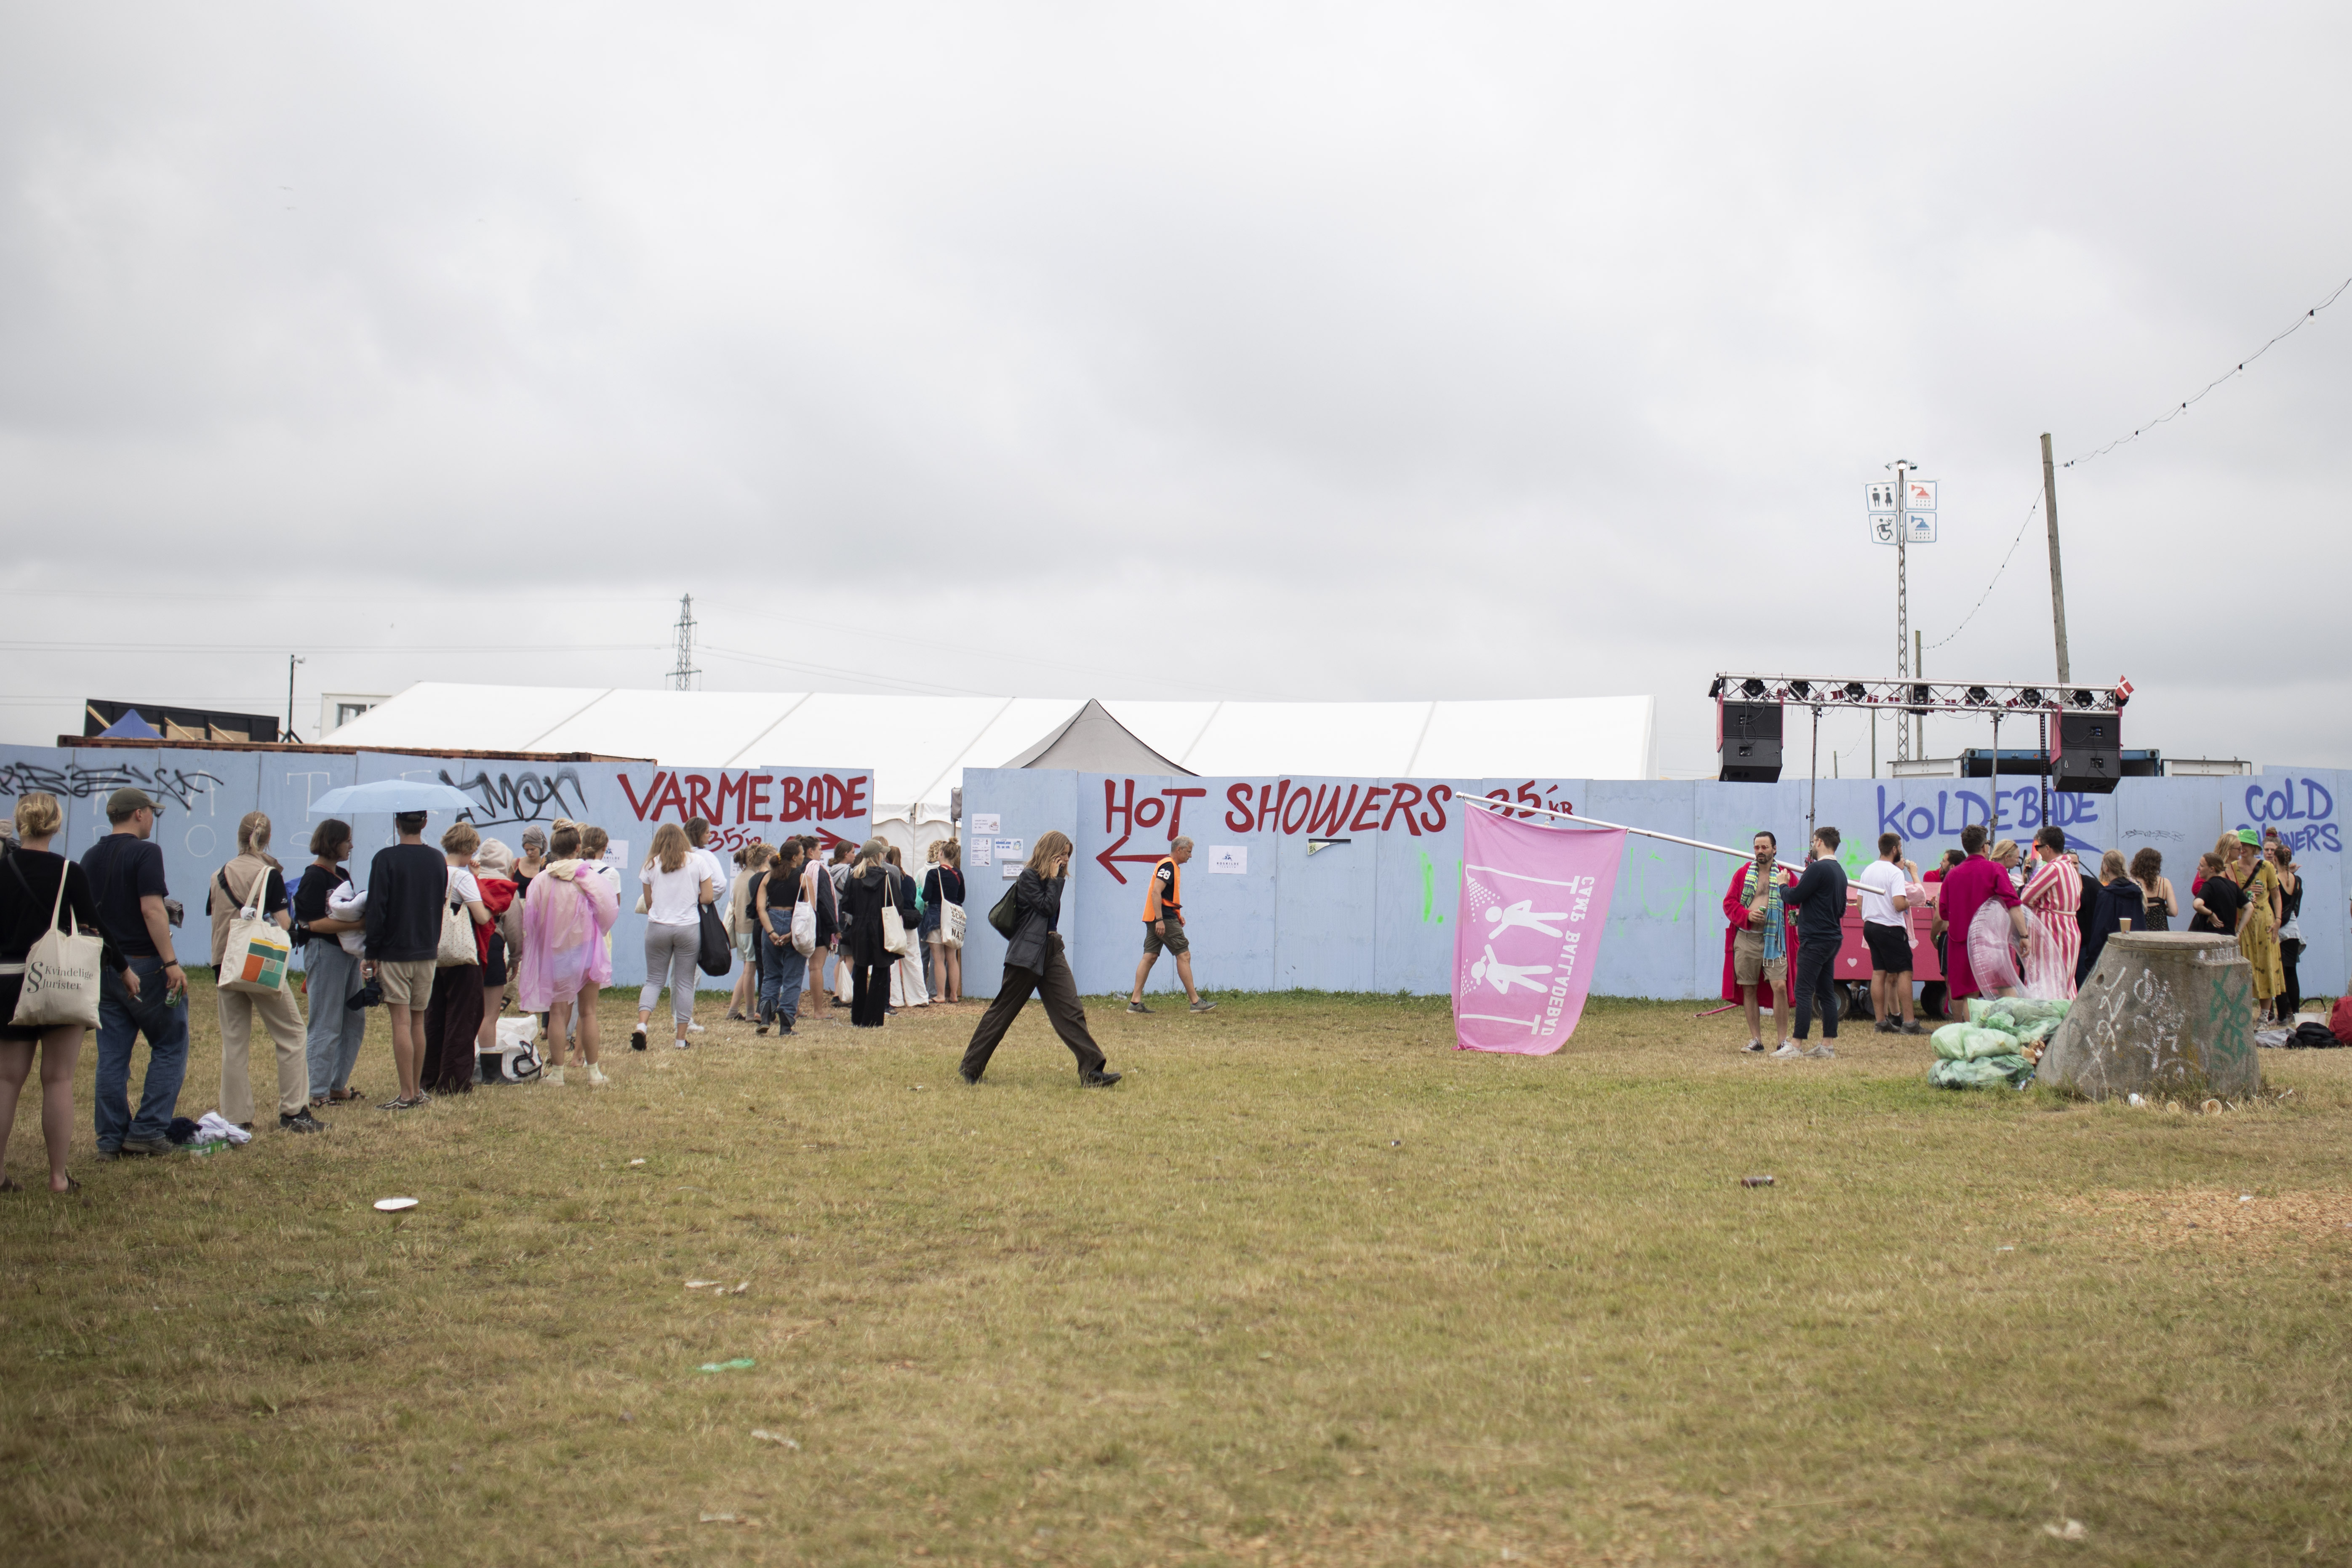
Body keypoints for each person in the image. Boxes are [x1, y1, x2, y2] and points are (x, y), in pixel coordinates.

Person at [1, 793, 133, 1192]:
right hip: (60, 980)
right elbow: (95, 927)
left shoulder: (2, 869)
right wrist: (124, 969)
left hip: (8, 983)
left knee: (7, 1082)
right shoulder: (68, 872)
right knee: (57, 1080)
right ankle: (58, 1177)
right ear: (57, 825)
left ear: (21, 823)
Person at [959, 830, 1120, 1087]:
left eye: (1068, 856)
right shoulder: (1029, 877)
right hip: (1026, 954)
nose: (1066, 860)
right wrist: (1055, 880)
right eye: (1063, 855)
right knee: (1003, 1012)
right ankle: (971, 1067)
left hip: (1051, 950)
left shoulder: (1053, 880)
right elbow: (1045, 907)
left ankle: (1092, 1072)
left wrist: (1056, 879)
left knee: (1071, 1010)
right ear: (1051, 853)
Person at [81, 787, 189, 1157]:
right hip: (145, 963)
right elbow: (152, 910)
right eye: (151, 812)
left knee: (111, 1056)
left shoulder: (91, 856)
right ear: (140, 814)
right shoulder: (147, 852)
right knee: (170, 1044)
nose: (153, 819)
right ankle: (147, 1131)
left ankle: (109, 1141)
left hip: (105, 965)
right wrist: (172, 963)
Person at [208, 812, 323, 1134]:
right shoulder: (268, 874)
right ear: (267, 838)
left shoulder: (218, 874)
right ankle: (293, 1111)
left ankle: (236, 1116)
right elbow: (285, 923)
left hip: (224, 963)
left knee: (234, 1042)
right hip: (258, 962)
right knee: (292, 1032)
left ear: (240, 836)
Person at [362, 810, 453, 1110]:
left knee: (400, 1021)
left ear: (397, 823)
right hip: (427, 949)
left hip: (394, 950)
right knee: (418, 1020)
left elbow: (378, 908)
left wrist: (371, 952)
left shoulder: (385, 859)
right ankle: (417, 1090)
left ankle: (405, 1095)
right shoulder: (438, 859)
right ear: (425, 823)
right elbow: (440, 901)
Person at [518, 824, 618, 1085]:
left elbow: (532, 919)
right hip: (587, 951)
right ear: (578, 848)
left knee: (558, 1013)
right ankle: (594, 1072)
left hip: (557, 954)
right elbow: (609, 911)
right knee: (589, 1012)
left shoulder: (541, 880)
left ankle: (558, 1074)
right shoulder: (590, 878)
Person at [294, 818, 368, 1107]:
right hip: (325, 953)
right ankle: (316, 1091)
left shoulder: (342, 875)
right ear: (333, 842)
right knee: (325, 1023)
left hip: (347, 954)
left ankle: (336, 1085)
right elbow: (310, 924)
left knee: (354, 1020)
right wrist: (359, 924)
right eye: (347, 840)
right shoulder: (314, 877)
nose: (351, 845)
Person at [419, 823, 493, 1096]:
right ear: (466, 849)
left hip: (432, 952)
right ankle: (454, 1081)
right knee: (463, 1018)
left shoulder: (431, 872)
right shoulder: (462, 879)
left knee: (434, 1017)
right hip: (460, 956)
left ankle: (428, 1076)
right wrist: (476, 880)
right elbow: (482, 916)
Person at [634, 823, 715, 1051]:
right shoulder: (697, 862)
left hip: (658, 926)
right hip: (688, 927)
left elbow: (649, 903)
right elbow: (708, 897)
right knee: (684, 982)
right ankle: (680, 1039)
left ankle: (642, 1026)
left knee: (654, 980)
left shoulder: (651, 864)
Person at [1773, 827, 1848, 1058]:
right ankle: (1827, 1045)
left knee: (1803, 991)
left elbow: (1794, 897)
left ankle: (1796, 1045)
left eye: (1814, 841)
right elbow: (1842, 908)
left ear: (1820, 843)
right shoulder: (1840, 872)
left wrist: (1782, 884)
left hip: (1816, 940)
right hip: (1832, 938)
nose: (1812, 846)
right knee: (1825, 992)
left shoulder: (1818, 869)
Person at [1941, 823, 2034, 1003]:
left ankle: (1968, 1030)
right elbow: (2013, 905)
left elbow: (1944, 913)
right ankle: (2010, 1028)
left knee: (1969, 997)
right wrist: (2024, 935)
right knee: (2006, 986)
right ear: (1985, 847)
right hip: (1991, 942)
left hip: (1961, 943)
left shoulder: (1952, 875)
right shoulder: (1996, 870)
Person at [1721, 830, 1796, 1053]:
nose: (1760, 852)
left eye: (1765, 847)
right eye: (1757, 847)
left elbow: (1798, 901)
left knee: (1780, 987)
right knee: (1749, 989)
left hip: (1776, 940)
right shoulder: (1744, 873)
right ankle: (1757, 1040)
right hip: (1747, 938)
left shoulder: (1787, 876)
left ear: (1774, 849)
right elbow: (1729, 904)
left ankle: (1783, 1041)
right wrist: (1746, 916)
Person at [1127, 836, 1214, 1014]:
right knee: (1184, 955)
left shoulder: (1168, 865)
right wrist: (1161, 920)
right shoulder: (1169, 866)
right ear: (1179, 850)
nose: (1191, 856)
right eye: (1189, 852)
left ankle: (1135, 1004)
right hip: (1162, 919)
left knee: (1150, 957)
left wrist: (1176, 914)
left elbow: (1164, 895)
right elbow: (1156, 892)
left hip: (1155, 917)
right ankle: (1195, 1002)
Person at [837, 839, 915, 1028]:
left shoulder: (854, 877)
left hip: (859, 927)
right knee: (881, 971)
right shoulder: (888, 877)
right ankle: (874, 1018)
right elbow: (898, 904)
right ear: (878, 856)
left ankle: (858, 1016)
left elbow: (846, 905)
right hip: (883, 927)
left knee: (861, 970)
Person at [1856, 832, 1923, 1035]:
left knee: (1879, 972)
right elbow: (1899, 904)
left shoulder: (1868, 870)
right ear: (1894, 849)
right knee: (1904, 971)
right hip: (1891, 927)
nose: (1901, 851)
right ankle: (1910, 1023)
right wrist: (1910, 901)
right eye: (1900, 848)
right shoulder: (1895, 873)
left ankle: (1881, 1021)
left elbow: (1860, 904)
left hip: (1871, 926)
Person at [2020, 827, 2085, 1000]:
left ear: (2047, 848)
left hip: (2052, 928)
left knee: (2047, 979)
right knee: (2066, 980)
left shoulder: (2053, 868)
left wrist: (2039, 904)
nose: (2038, 852)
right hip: (2071, 927)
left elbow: (2026, 896)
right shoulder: (2071, 867)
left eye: (2038, 848)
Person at [2227, 830, 2285, 1021]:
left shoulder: (2266, 867)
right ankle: (2244, 1013)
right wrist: (2248, 891)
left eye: (2246, 845)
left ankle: (2265, 1016)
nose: (2242, 848)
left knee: (2267, 964)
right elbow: (2232, 896)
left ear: (2254, 848)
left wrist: (2278, 920)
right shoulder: (2232, 868)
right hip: (2243, 924)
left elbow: (2276, 895)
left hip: (2265, 923)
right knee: (2244, 965)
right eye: (2240, 845)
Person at [472, 838, 520, 1059]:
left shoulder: (468, 880)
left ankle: (461, 1061)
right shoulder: (507, 889)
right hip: (492, 946)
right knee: (489, 1015)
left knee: (464, 1012)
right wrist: (516, 957)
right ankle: (488, 1064)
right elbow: (514, 928)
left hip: (465, 948)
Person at [755, 840, 808, 1035]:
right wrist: (792, 934)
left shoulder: (768, 877)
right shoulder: (803, 878)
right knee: (793, 977)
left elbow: (761, 908)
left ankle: (766, 1016)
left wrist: (771, 932)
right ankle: (786, 1023)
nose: (804, 856)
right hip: (794, 925)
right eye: (802, 853)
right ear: (795, 857)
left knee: (771, 974)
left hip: (772, 921)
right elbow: (808, 911)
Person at [682, 817, 728, 1034]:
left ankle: (678, 1017)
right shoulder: (704, 856)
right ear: (699, 833)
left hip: (670, 915)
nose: (710, 835)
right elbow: (719, 884)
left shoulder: (674, 855)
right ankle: (685, 1019)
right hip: (694, 917)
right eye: (707, 832)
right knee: (691, 971)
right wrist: (703, 898)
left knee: (675, 972)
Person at [2076, 849, 2144, 985]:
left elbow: (2101, 927)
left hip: (2112, 954)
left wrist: (2091, 960)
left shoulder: (2107, 894)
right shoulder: (2137, 892)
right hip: (2136, 951)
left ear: (2106, 868)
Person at [725, 843, 772, 1022]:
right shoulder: (755, 879)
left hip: (740, 930)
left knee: (746, 971)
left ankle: (733, 1009)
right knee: (750, 972)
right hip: (750, 928)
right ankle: (751, 1013)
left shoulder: (740, 878)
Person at [1918, 848, 1964, 1021]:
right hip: (1968, 936)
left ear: (1952, 865)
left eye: (1944, 861)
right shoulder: (1969, 882)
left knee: (1951, 982)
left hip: (1950, 936)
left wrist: (1932, 936)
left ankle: (1957, 1021)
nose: (1941, 864)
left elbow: (1939, 917)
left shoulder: (1948, 884)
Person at [800, 835, 840, 1021]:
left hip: (795, 924)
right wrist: (834, 927)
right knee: (816, 967)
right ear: (811, 851)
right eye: (819, 849)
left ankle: (792, 1007)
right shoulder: (819, 872)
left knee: (794, 969)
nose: (822, 852)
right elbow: (825, 902)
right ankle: (818, 1011)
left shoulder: (793, 870)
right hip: (816, 925)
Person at [885, 847, 930, 1009]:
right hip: (910, 922)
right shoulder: (909, 879)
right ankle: (919, 997)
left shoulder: (888, 877)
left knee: (892, 963)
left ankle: (895, 998)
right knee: (914, 960)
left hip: (893, 922)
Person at [923, 838, 966, 1004]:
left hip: (935, 916)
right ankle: (954, 995)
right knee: (952, 958)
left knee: (938, 959)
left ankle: (940, 995)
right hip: (953, 918)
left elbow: (926, 896)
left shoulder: (934, 874)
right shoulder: (958, 874)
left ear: (940, 853)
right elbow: (961, 897)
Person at [2271, 841, 2304, 1015]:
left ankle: (2282, 1015)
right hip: (2293, 929)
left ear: (2275, 859)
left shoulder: (2274, 879)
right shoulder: (2296, 880)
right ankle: (2296, 1012)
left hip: (2278, 929)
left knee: (2280, 974)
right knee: (2292, 972)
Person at [2188, 852, 2246, 939]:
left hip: (2210, 937)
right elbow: (2250, 907)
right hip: (2229, 936)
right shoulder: (2232, 885)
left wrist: (2210, 914)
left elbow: (2197, 905)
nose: (2198, 868)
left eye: (2202, 866)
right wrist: (2239, 932)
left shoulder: (2209, 885)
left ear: (2212, 869)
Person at [2128, 848, 2176, 933]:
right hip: (2161, 933)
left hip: (2138, 931)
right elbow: (2174, 912)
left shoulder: (2131, 882)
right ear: (2157, 865)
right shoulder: (2164, 883)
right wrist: (2163, 909)